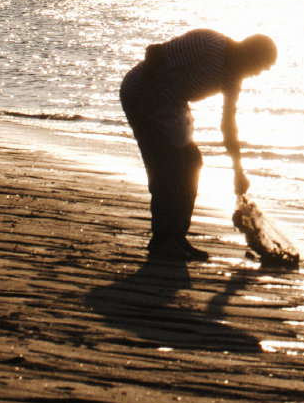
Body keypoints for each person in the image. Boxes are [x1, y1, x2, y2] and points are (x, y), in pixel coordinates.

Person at [119, 30, 278, 261]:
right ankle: (162, 240)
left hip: (172, 105)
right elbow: (154, 53)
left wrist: (238, 170)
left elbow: (228, 125)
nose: (256, 74)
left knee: (192, 162)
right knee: (167, 166)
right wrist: (144, 104)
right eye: (259, 67)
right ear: (249, 54)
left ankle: (176, 238)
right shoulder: (208, 44)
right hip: (141, 94)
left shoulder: (233, 78)